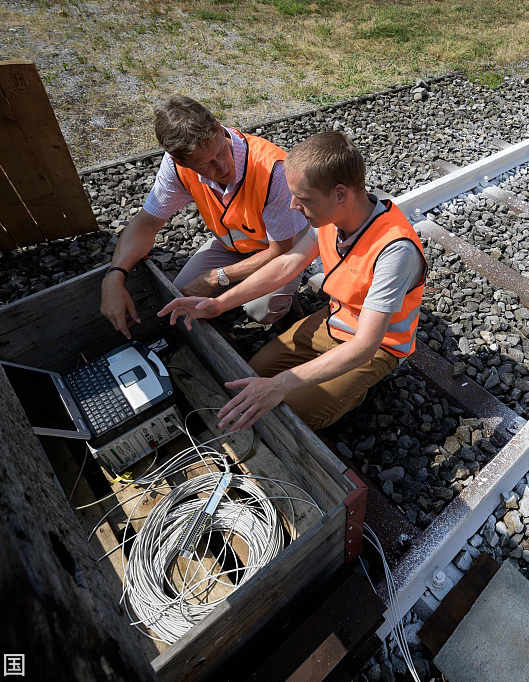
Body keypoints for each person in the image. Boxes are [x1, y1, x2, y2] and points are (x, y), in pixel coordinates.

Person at [157, 130, 427, 431]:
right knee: (251, 377)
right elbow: (287, 264)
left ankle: (355, 393)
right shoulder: (333, 218)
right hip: (336, 320)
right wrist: (219, 303)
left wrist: (281, 385)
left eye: (303, 199)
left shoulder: (394, 251)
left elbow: (365, 345)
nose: (293, 207)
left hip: (379, 346)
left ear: (340, 194)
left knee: (293, 414)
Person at [101, 95, 308, 338]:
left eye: (221, 151)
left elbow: (280, 251)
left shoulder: (273, 169)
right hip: (233, 247)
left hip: (285, 249)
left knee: (262, 311)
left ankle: (288, 306)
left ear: (220, 128)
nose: (222, 167)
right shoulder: (176, 166)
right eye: (207, 164)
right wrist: (114, 276)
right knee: (181, 298)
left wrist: (216, 278)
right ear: (180, 161)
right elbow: (146, 223)